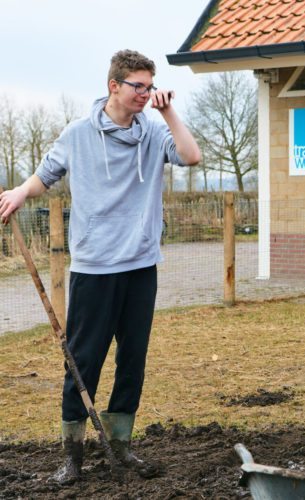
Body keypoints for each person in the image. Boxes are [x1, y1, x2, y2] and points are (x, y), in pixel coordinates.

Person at [0, 49, 201, 484]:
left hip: (140, 266)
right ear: (114, 86)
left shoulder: (152, 133)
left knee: (133, 358)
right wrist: (19, 192)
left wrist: (170, 114)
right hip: (93, 268)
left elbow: (191, 157)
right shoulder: (78, 134)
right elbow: (46, 174)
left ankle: (121, 445)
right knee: (84, 359)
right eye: (139, 87)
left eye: (150, 87)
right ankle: (72, 454)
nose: (146, 94)